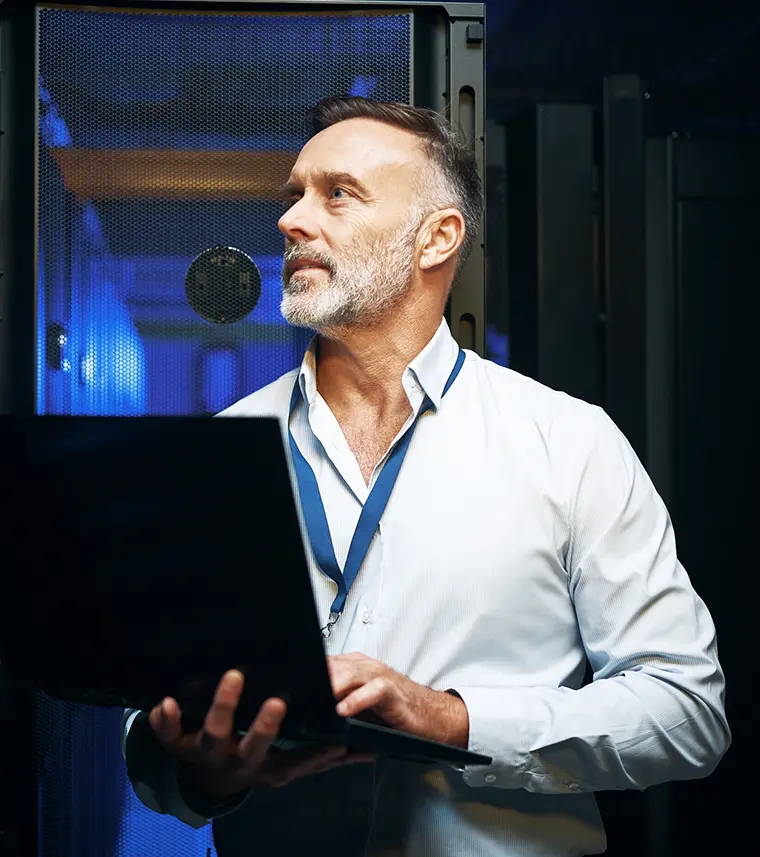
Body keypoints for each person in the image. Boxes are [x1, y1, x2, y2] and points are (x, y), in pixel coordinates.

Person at [120, 96, 730, 856]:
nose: (290, 220)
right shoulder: (217, 455)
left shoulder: (568, 444)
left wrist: (455, 720)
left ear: (437, 237)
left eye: (336, 193)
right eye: (294, 195)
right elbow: (151, 719)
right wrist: (203, 772)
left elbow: (687, 711)